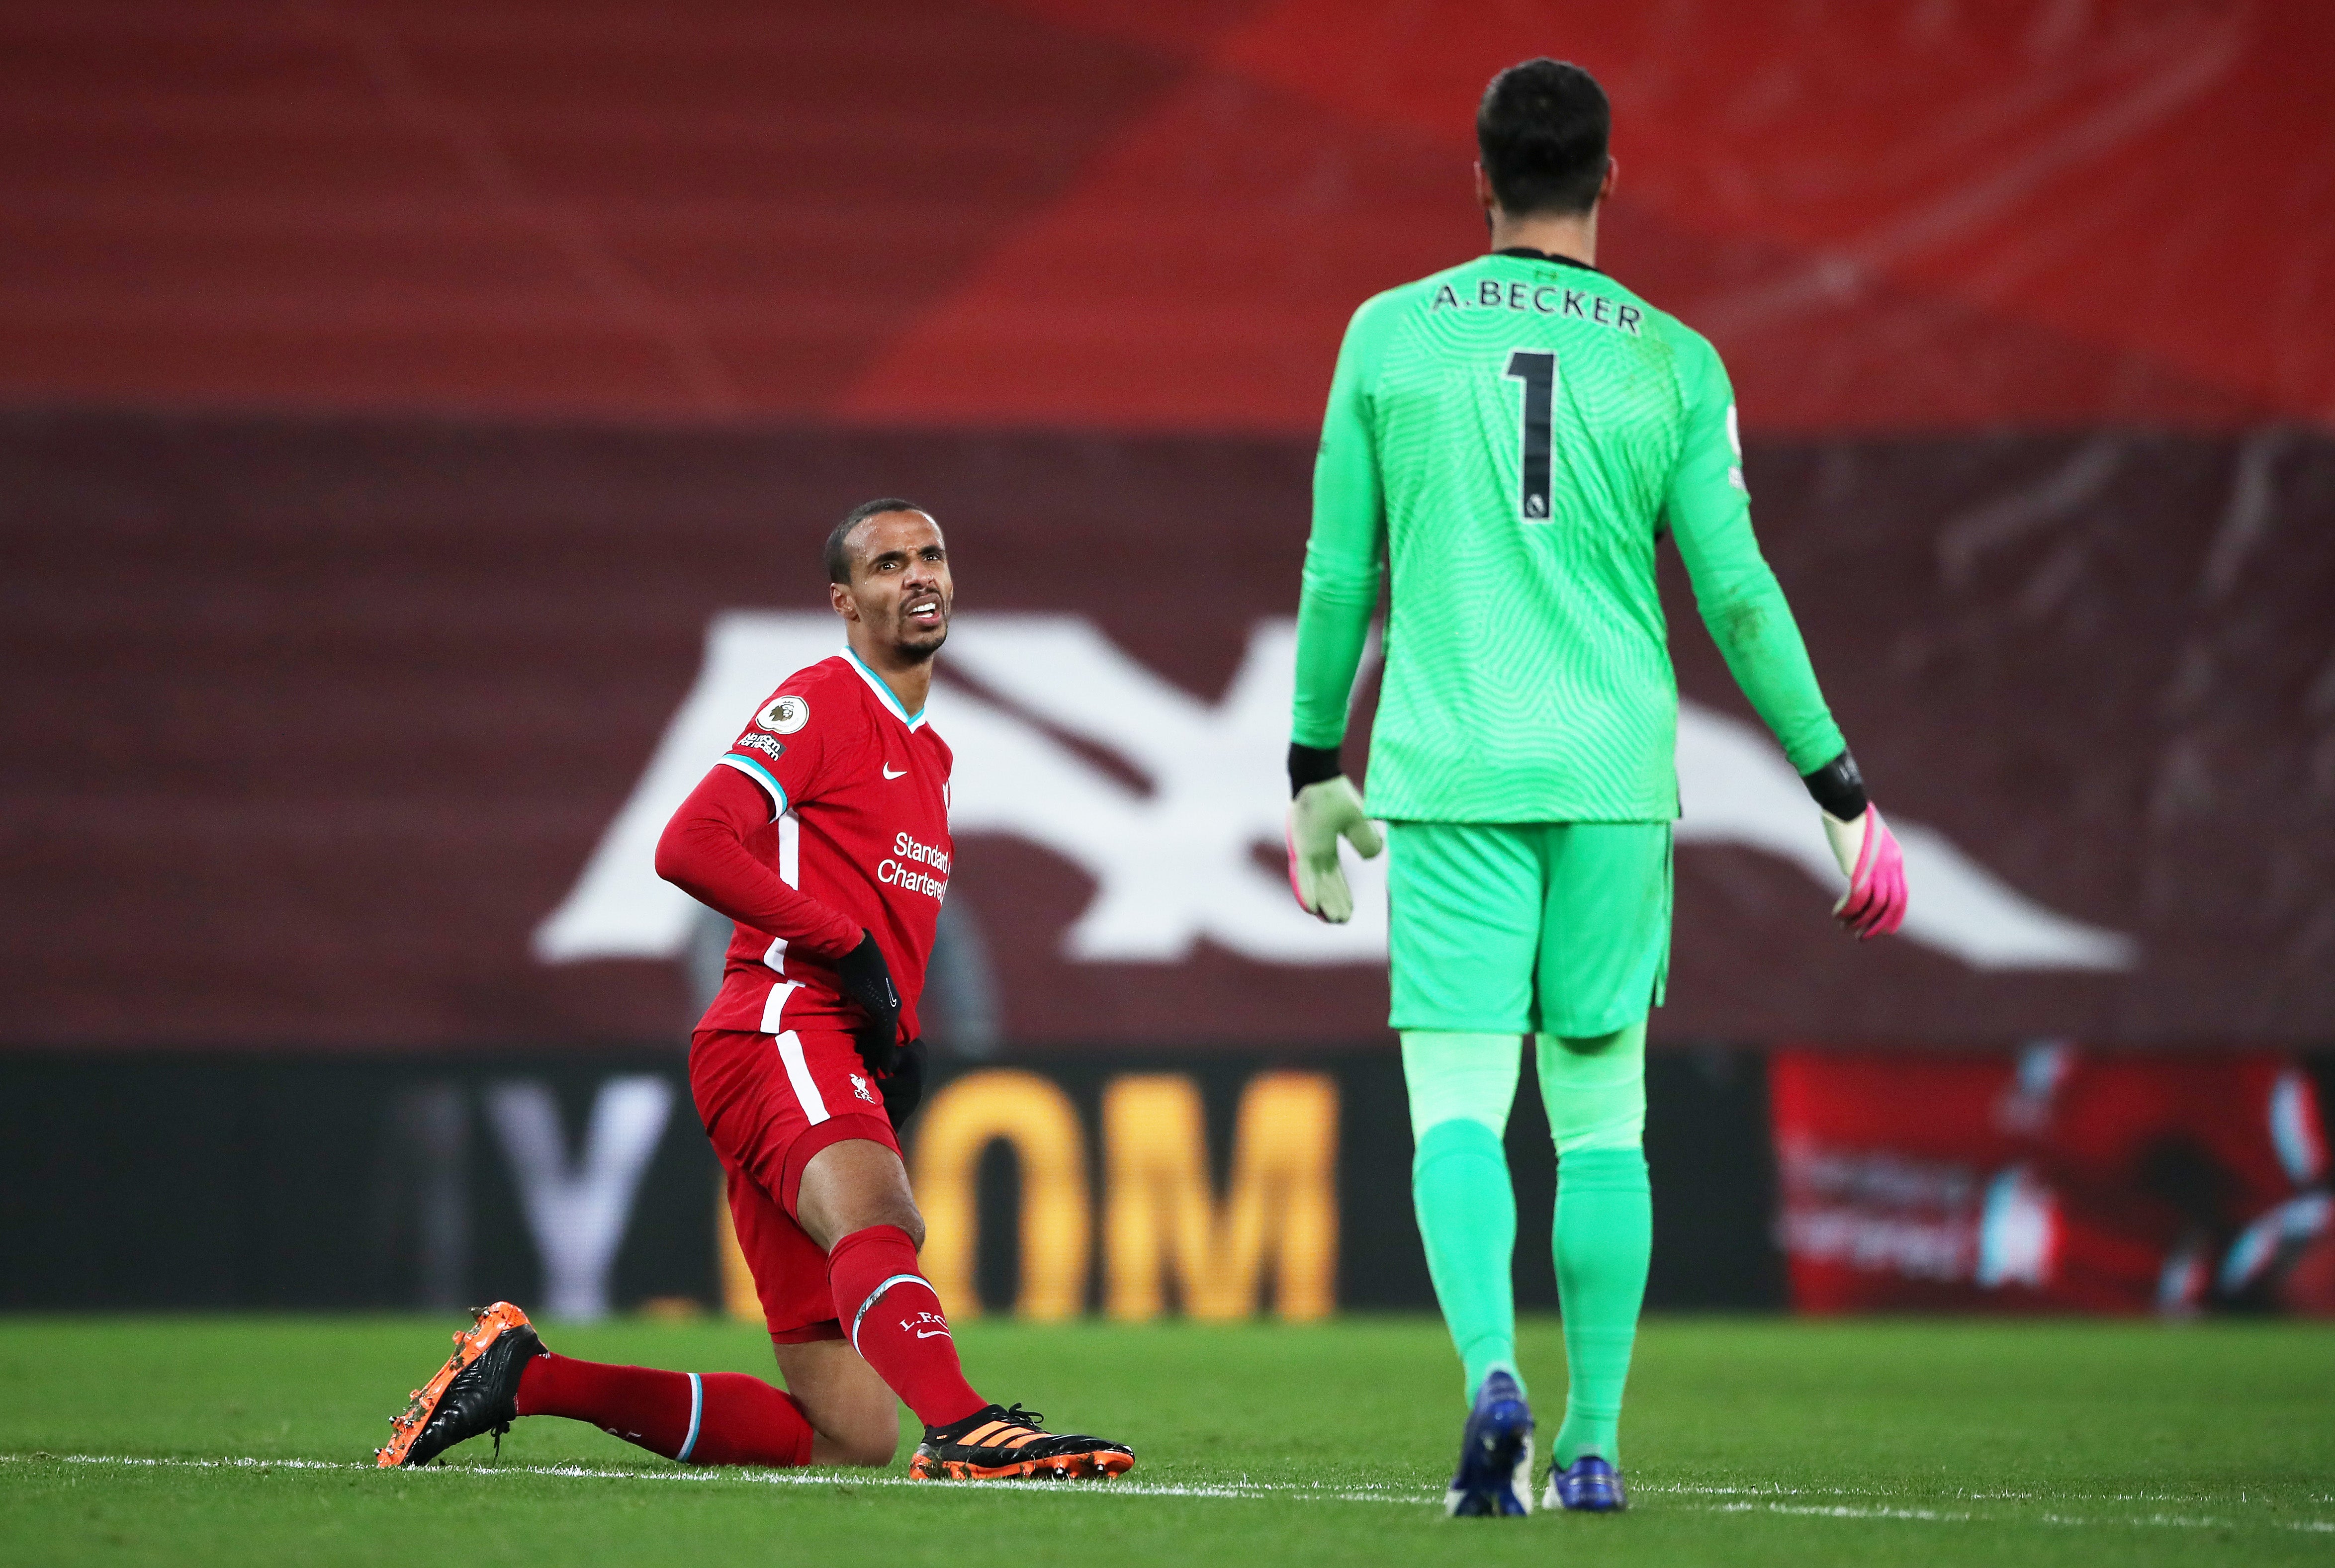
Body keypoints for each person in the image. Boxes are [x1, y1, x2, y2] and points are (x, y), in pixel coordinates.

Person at [1282, 60, 1907, 1517]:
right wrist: (1838, 779)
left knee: (1455, 1103)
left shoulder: (1388, 337)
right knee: (1602, 1116)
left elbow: (1338, 577)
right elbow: (1740, 594)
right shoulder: (1675, 360)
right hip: (1617, 778)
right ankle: (1595, 1443)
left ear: (1478, 175)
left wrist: (1315, 762)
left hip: (1449, 770)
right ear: (1609, 179)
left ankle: (1492, 1375)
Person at [377, 499, 1134, 1482]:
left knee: (847, 1431)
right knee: (881, 1222)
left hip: (811, 1044)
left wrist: (893, 1029)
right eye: (886, 562)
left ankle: (523, 1376)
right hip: (779, 1020)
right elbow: (688, 843)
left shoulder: (932, 754)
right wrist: (842, 942)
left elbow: (881, 916)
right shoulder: (822, 699)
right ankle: (965, 1427)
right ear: (844, 601)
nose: (916, 575)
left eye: (931, 555)